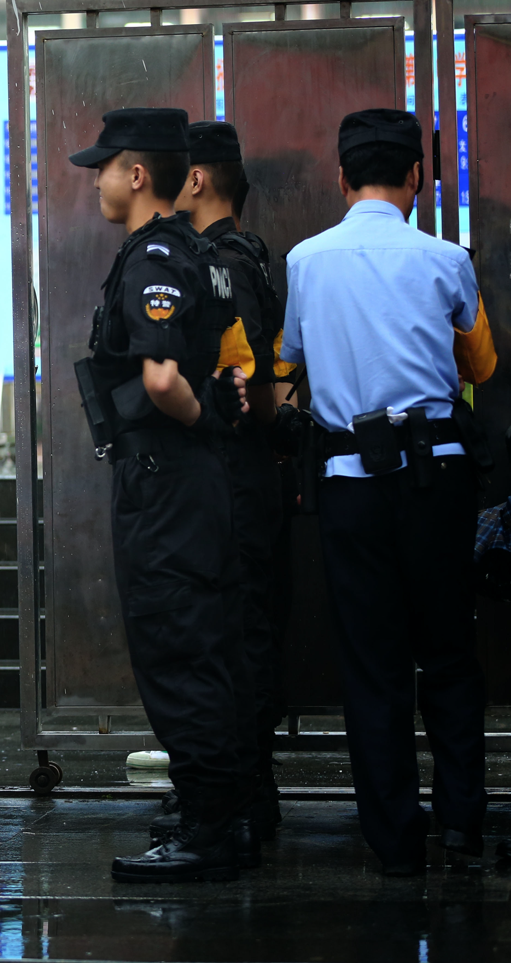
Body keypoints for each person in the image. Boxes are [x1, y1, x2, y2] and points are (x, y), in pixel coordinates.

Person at [278, 109, 498, 875]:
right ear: (418, 177)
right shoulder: (446, 260)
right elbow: (483, 366)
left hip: (349, 486)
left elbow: (292, 360)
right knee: (447, 655)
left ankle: (396, 844)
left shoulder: (306, 261)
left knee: (372, 666)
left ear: (341, 179)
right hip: (437, 481)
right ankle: (464, 827)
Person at [69, 108, 249, 883]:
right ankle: (216, 814)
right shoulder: (203, 255)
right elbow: (235, 364)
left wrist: (200, 418)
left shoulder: (154, 258)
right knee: (198, 645)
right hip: (187, 485)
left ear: (136, 174)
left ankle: (208, 832)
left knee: (175, 648)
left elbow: (163, 378)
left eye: (104, 168)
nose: (99, 183)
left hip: (165, 482)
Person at [160, 120, 287, 845]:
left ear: (199, 178)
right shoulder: (248, 258)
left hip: (231, 476)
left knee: (230, 636)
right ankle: (247, 791)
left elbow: (242, 381)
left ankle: (239, 796)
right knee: (245, 632)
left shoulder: (220, 265)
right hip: (249, 475)